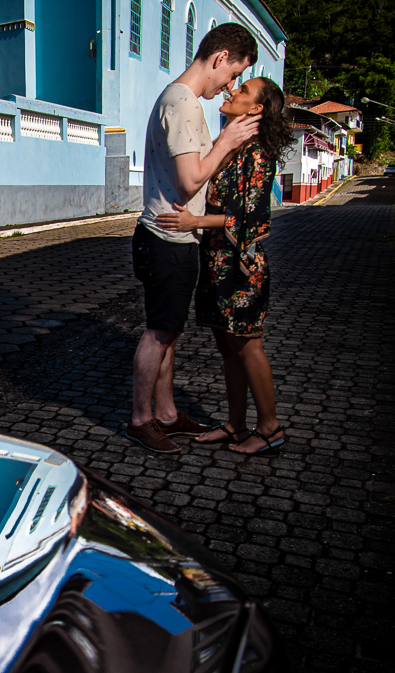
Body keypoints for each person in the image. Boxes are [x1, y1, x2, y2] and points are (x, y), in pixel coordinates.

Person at [125, 23, 262, 454]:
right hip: (166, 237)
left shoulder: (180, 100)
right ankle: (141, 419)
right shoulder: (182, 103)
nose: (231, 85)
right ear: (220, 58)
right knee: (158, 334)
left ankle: (165, 413)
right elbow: (188, 183)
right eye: (234, 73)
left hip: (174, 238)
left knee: (169, 332)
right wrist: (225, 141)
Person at [154, 77, 292, 455]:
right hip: (216, 263)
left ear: (256, 110)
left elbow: (254, 219)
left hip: (242, 268)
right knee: (228, 350)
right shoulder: (232, 147)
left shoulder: (258, 155)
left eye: (242, 90)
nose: (232, 91)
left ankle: (270, 428)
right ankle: (235, 425)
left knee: (249, 348)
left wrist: (194, 223)